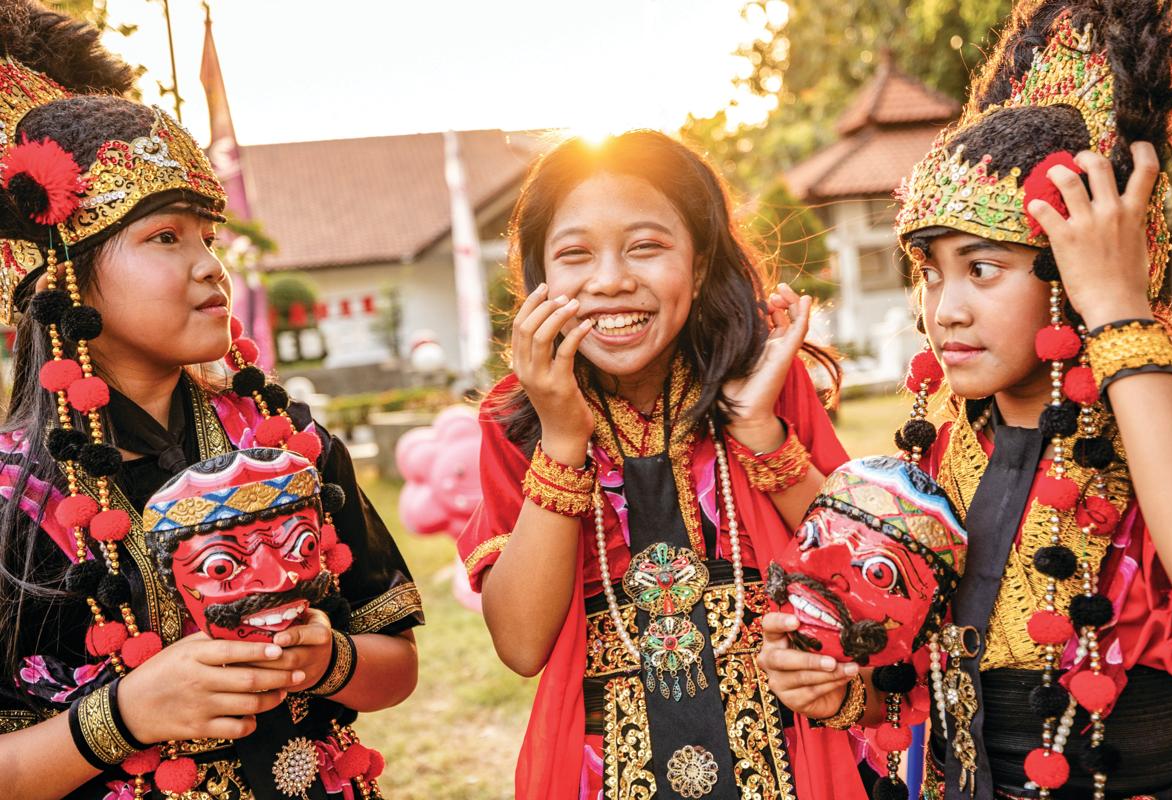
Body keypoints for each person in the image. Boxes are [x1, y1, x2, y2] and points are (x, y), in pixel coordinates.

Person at [758, 1, 1172, 798]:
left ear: (1075, 268)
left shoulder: (1164, 418)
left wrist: (1118, 310)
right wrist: (837, 691)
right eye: (929, 272)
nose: (944, 309)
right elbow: (927, 682)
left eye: (982, 269)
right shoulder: (944, 451)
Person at [0, 4, 421, 798]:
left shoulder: (289, 443)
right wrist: (124, 715)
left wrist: (328, 661)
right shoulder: (15, 499)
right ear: (63, 274)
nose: (209, 268)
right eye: (166, 238)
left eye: (208, 237)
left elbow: (394, 667)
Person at [457, 129, 865, 799]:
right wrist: (561, 437)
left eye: (646, 246)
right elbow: (523, 646)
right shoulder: (514, 418)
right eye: (575, 255)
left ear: (700, 266)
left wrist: (759, 429)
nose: (613, 280)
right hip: (602, 769)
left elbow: (857, 582)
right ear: (541, 280)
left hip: (791, 758)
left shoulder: (761, 377)